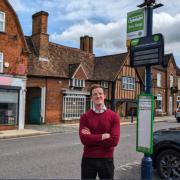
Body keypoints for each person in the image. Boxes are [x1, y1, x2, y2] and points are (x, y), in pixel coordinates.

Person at [79, 84, 120, 180]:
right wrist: (102, 136)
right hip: (88, 159)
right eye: (95, 94)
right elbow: (84, 139)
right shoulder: (85, 117)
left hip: (106, 159)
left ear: (104, 96)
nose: (98, 96)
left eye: (100, 93)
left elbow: (114, 140)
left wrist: (92, 137)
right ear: (91, 97)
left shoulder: (114, 116)